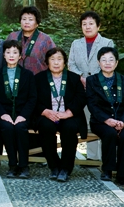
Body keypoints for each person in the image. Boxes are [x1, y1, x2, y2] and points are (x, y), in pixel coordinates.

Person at [34, 48, 87, 183]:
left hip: (69, 115)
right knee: (46, 127)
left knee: (69, 128)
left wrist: (68, 113)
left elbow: (81, 98)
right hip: (47, 114)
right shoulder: (39, 78)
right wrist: (45, 111)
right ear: (47, 62)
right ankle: (54, 166)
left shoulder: (74, 78)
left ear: (65, 62)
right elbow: (33, 99)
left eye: (59, 59)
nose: (56, 63)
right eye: (52, 59)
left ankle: (65, 168)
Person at [68, 10, 115, 162]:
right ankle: (92, 157)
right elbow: (71, 64)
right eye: (84, 24)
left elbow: (108, 64)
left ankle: (102, 156)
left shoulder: (107, 43)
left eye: (91, 24)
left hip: (100, 87)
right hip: (80, 86)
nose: (87, 27)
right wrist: (81, 77)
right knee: (86, 118)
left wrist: (92, 80)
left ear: (98, 26)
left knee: (99, 118)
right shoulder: (76, 44)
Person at [86, 46, 124, 186]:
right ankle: (107, 170)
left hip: (122, 121)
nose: (108, 63)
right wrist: (107, 120)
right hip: (100, 121)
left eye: (111, 60)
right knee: (109, 134)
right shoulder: (92, 80)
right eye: (104, 60)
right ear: (98, 62)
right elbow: (92, 105)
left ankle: (122, 173)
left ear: (117, 63)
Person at [0, 40, 37, 179]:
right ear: (4, 55)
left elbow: (32, 98)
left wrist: (23, 115)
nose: (11, 55)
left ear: (20, 56)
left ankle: (24, 165)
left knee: (20, 128)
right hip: (3, 114)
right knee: (7, 128)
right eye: (8, 52)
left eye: (15, 52)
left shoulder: (28, 75)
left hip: (23, 114)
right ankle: (12, 165)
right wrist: (2, 114)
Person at [6, 6, 55, 75]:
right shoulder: (12, 36)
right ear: (20, 21)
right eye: (24, 19)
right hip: (14, 80)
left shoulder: (45, 40)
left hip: (37, 80)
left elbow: (54, 60)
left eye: (30, 19)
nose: (27, 22)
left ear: (37, 23)